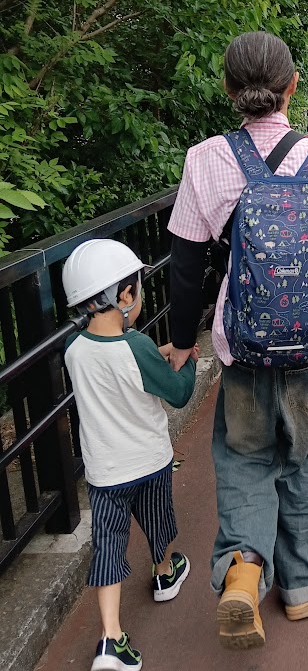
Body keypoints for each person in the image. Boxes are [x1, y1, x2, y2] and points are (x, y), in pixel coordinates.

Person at [164, 31, 308, 649]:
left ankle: (243, 569)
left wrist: (182, 342)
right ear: (292, 87)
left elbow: (185, 266)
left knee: (245, 458)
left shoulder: (204, 160)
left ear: (229, 88)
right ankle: (302, 585)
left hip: (244, 350)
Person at [62, 239, 196, 671]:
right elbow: (176, 392)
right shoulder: (136, 345)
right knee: (157, 520)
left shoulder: (74, 351)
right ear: (125, 296)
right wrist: (187, 360)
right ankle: (164, 573)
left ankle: (110, 639)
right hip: (148, 462)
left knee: (108, 545)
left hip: (105, 471)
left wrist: (154, 355)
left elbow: (115, 369)